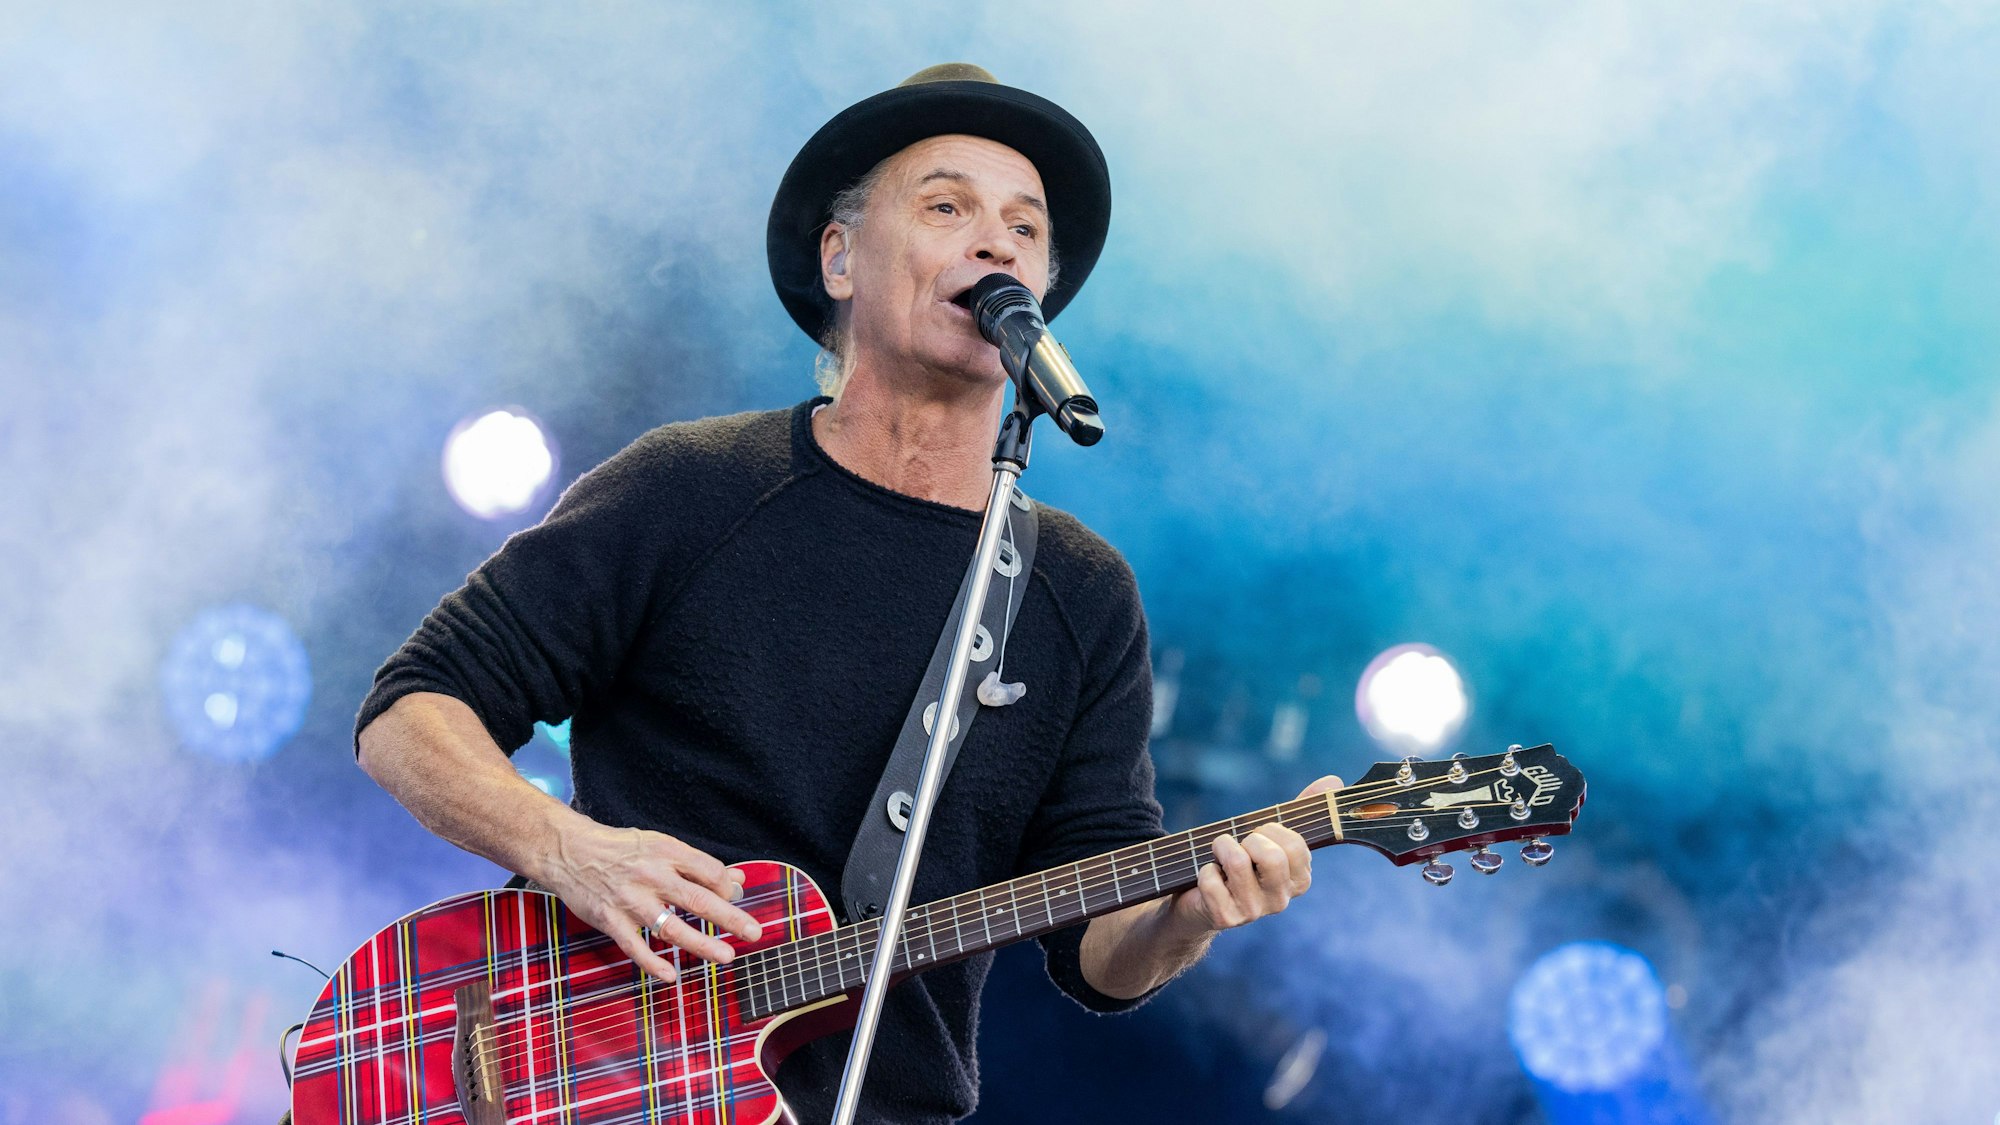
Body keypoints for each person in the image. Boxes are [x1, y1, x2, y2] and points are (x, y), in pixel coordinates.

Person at [354, 63, 1336, 1124]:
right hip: (592, 1093)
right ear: (839, 258)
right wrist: (566, 851)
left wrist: (1187, 915)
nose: (995, 243)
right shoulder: (693, 486)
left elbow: (1099, 954)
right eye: (947, 205)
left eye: (1024, 226)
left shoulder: (1079, 591)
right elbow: (411, 709)